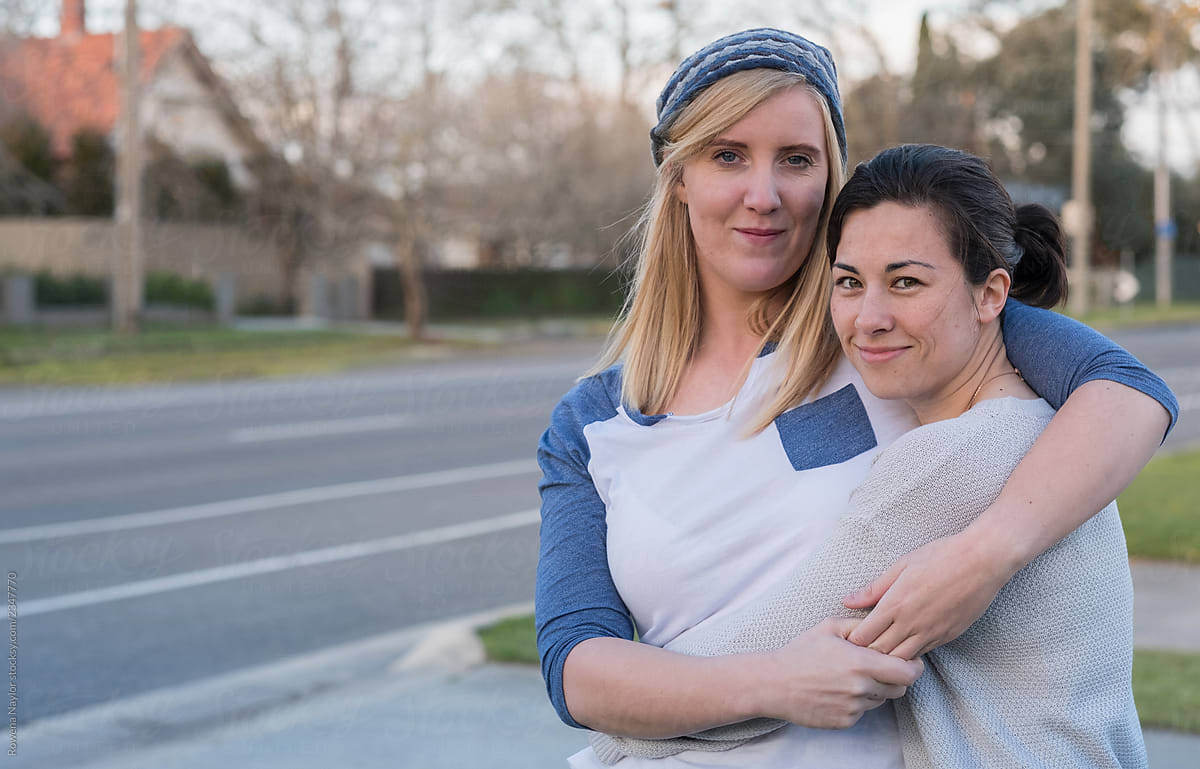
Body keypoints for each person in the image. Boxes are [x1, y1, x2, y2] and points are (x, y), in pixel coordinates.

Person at [536, 28, 1176, 769]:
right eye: (727, 155)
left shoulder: (892, 341)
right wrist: (770, 683)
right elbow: (577, 668)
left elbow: (1126, 392)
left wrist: (982, 558)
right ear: (679, 177)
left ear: (830, 176)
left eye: (797, 160)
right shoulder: (590, 423)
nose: (763, 194)